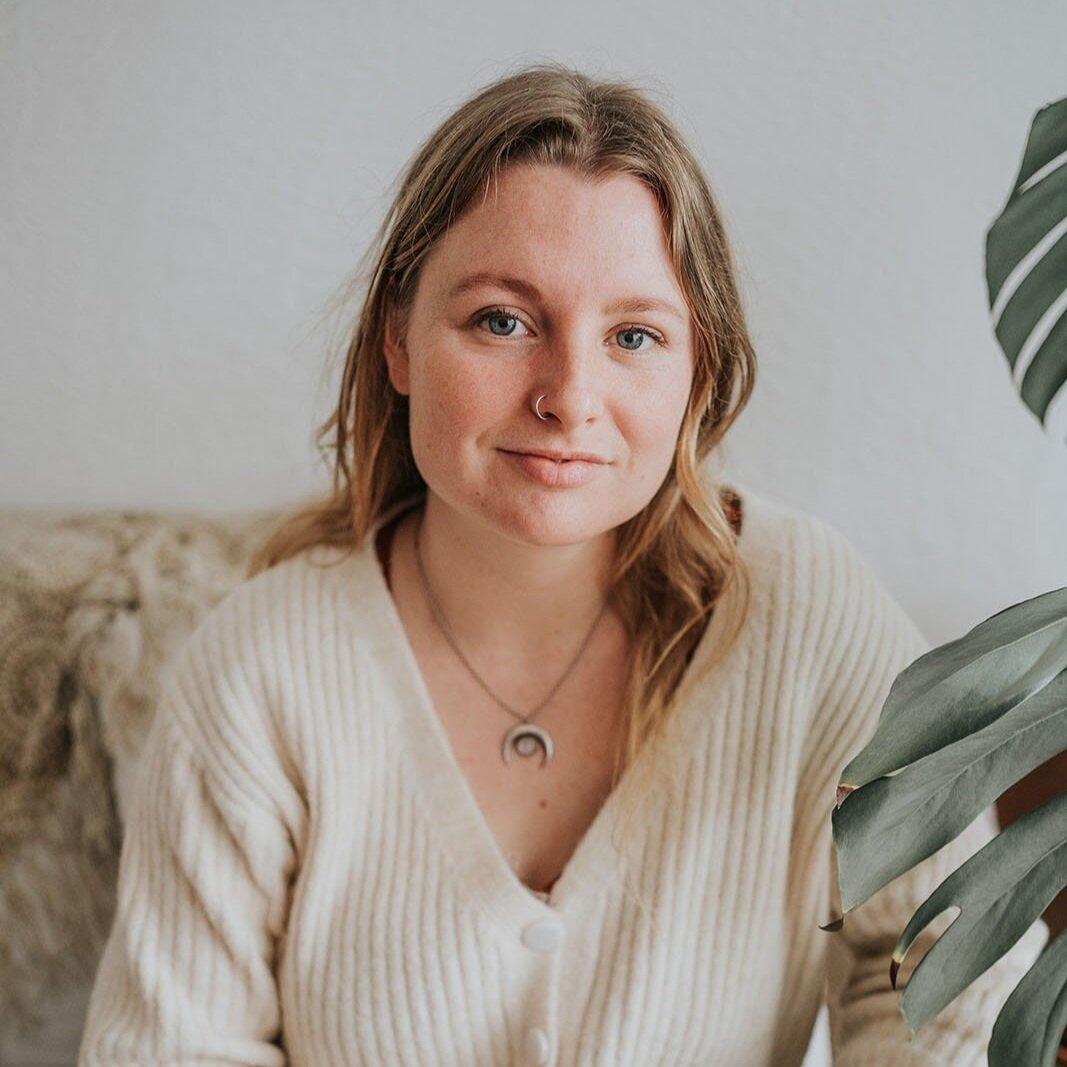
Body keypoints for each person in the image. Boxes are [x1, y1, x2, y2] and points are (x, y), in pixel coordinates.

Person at [78, 62, 1047, 1067]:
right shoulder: (255, 676)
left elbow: (950, 976)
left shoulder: (801, 611)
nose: (569, 394)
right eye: (503, 320)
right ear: (397, 343)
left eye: (633, 334)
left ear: (694, 376)